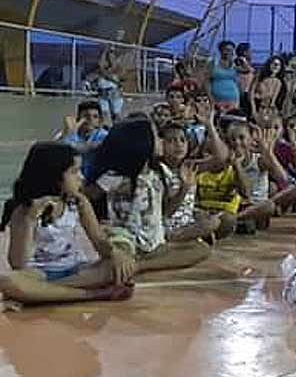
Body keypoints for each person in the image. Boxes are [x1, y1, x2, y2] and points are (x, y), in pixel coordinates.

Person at [0, 141, 140, 306]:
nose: (81, 177)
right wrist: (30, 220)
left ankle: (43, 292)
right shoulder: (24, 210)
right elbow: (18, 263)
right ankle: (91, 294)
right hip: (39, 272)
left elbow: (98, 240)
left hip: (76, 270)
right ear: (55, 176)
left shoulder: (78, 202)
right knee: (7, 281)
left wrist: (115, 253)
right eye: (74, 172)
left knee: (120, 267)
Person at [84, 117, 211, 271]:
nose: (160, 141)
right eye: (156, 137)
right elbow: (86, 197)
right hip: (126, 239)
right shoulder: (117, 176)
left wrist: (184, 189)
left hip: (154, 243)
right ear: (142, 143)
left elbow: (165, 212)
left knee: (202, 249)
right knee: (119, 248)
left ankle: (140, 265)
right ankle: (129, 261)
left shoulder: (157, 174)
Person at [158, 121, 223, 244]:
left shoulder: (189, 166)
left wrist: (210, 125)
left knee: (214, 220)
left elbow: (220, 159)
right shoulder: (159, 170)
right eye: (172, 141)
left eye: (183, 140)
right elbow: (166, 212)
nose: (178, 145)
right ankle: (173, 240)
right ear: (161, 144)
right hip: (165, 229)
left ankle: (189, 239)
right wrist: (185, 188)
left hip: (187, 224)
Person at [61, 100, 108, 173]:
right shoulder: (68, 133)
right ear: (78, 119)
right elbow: (59, 154)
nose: (91, 119)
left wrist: (70, 133)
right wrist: (67, 131)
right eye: (86, 116)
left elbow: (79, 149)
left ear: (99, 121)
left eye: (95, 117)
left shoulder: (104, 136)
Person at [206, 41, 241, 112]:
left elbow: (248, 70)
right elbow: (207, 81)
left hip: (233, 97)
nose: (229, 52)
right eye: (227, 50)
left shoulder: (234, 65)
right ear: (221, 50)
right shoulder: (213, 63)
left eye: (231, 50)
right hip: (217, 99)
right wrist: (210, 98)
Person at [235, 42, 256, 116]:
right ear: (244, 52)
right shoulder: (241, 60)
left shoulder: (246, 61)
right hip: (243, 89)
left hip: (247, 88)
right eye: (249, 51)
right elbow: (248, 70)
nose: (251, 53)